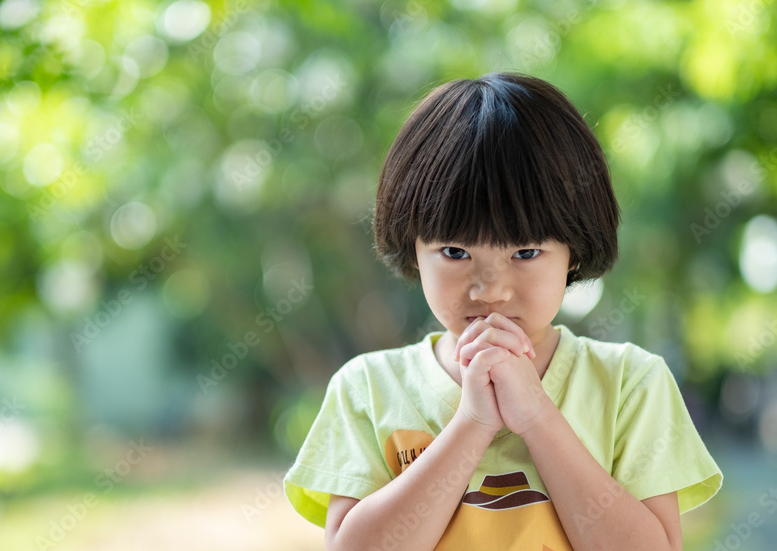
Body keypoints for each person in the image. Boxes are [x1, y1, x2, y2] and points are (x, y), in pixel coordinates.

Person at [283, 72, 722, 550]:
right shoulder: (367, 389)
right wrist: (471, 423)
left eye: (526, 253)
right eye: (455, 252)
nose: (489, 291)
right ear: (414, 247)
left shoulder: (630, 383)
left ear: (572, 251)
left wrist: (536, 416)